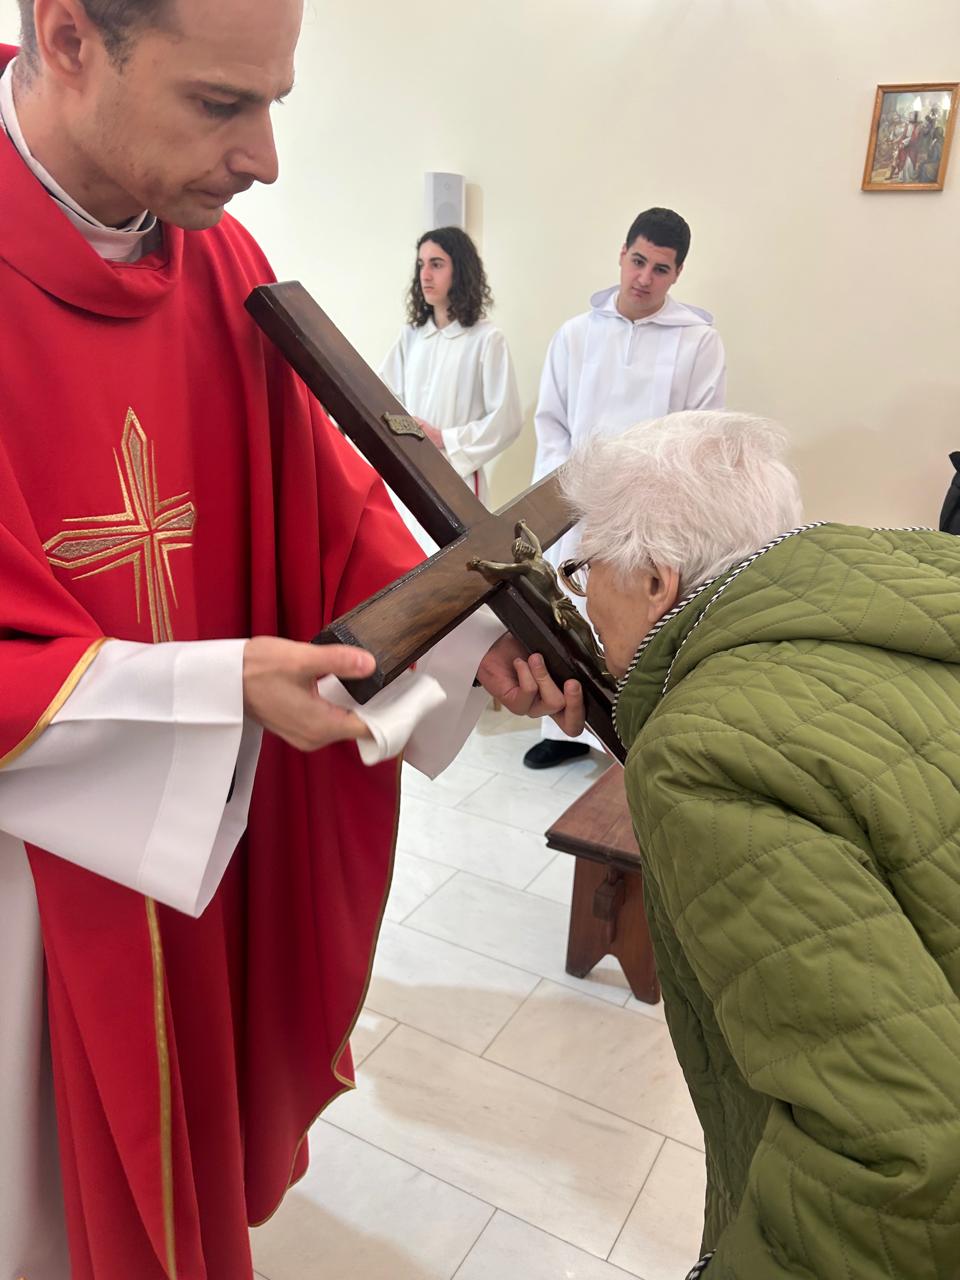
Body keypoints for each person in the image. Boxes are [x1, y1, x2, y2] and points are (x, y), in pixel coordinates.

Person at [0, 3, 584, 1277]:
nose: (265, 157)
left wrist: (462, 633)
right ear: (69, 38)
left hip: (198, 841)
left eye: (274, 101)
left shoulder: (218, 259)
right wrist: (216, 686)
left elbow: (328, 499)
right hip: (25, 888)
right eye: (222, 104)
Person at [562, 409, 960, 1277]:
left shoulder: (701, 759)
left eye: (585, 569)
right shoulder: (898, 589)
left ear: (658, 580)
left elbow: (897, 1153)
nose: (582, 598)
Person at [523, 206, 726, 769]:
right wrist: (567, 499)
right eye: (637, 261)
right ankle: (563, 727)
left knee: (637, 627)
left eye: (660, 269)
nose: (643, 278)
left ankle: (628, 732)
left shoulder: (698, 343)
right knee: (568, 612)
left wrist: (653, 504)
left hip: (649, 514)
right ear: (622, 255)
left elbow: (700, 435)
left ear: (677, 274)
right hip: (578, 508)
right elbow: (552, 425)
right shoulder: (576, 335)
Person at [379, 226, 522, 547]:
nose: (425, 275)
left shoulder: (486, 339)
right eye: (421, 264)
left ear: (460, 270)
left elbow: (507, 420)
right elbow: (381, 397)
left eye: (437, 264)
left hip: (457, 477)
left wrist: (445, 438)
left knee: (453, 566)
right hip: (409, 479)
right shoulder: (411, 337)